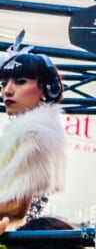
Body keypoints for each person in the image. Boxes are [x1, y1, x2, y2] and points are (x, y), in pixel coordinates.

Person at [0, 34, 66, 223]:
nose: (7, 91)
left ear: (47, 89)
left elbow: (16, 207)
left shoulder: (34, 132)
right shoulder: (32, 131)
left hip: (11, 245)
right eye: (4, 84)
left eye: (20, 81)